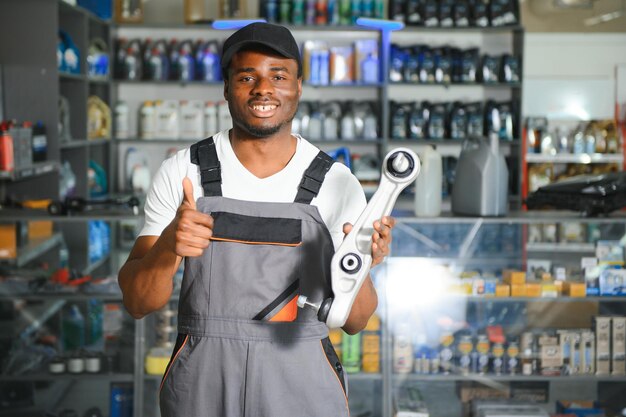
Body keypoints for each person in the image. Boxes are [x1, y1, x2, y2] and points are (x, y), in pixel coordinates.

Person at [118, 22, 396, 417]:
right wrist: (168, 246)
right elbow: (136, 302)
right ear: (228, 88)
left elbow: (355, 320)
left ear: (298, 86)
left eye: (278, 76)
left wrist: (363, 261)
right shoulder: (185, 171)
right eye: (247, 77)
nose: (263, 89)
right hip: (204, 379)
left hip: (302, 378)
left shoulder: (335, 182)